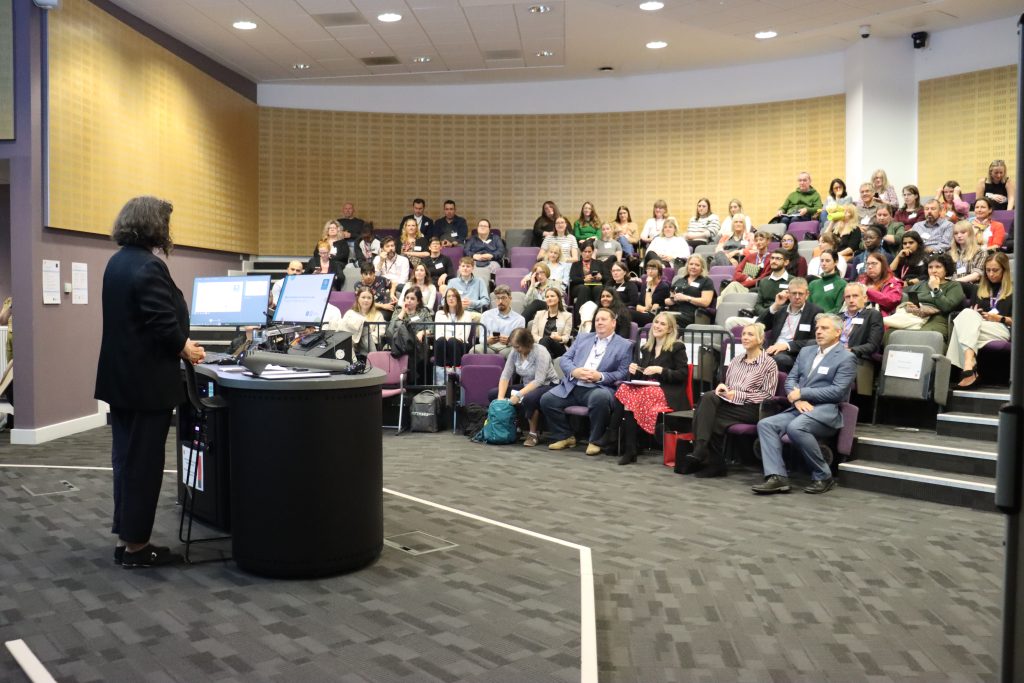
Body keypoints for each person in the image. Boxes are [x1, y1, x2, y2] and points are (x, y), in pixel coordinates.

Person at [95, 196, 205, 568]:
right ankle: (137, 548)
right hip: (146, 385)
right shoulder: (148, 266)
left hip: (122, 382)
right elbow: (161, 324)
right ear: (153, 225)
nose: (168, 230)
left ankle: (126, 536)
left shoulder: (117, 262)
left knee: (126, 461)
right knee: (143, 465)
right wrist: (185, 347)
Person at [752, 313, 857, 495]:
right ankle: (777, 476)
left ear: (838, 332)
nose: (819, 332)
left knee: (796, 427)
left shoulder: (846, 358)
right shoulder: (806, 351)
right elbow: (791, 379)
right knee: (766, 424)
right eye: (817, 328)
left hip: (825, 411)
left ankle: (823, 475)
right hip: (799, 407)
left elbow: (838, 391)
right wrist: (797, 398)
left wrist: (803, 392)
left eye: (825, 328)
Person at [683, 322, 778, 478]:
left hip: (752, 407)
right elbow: (728, 384)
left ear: (761, 340)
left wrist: (739, 395)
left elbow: (767, 395)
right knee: (709, 398)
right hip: (730, 403)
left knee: (710, 414)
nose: (745, 337)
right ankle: (711, 460)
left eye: (750, 334)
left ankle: (703, 453)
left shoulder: (769, 363)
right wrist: (722, 387)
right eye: (744, 334)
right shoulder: (736, 360)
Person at [540, 307, 633, 455]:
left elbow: (623, 373)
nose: (599, 322)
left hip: (598, 388)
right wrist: (574, 371)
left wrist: (600, 376)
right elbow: (565, 359)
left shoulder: (625, 345)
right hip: (574, 385)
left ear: (613, 323)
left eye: (603, 319)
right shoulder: (583, 338)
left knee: (600, 398)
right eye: (597, 320)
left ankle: (594, 440)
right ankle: (565, 436)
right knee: (547, 400)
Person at [608, 312, 689, 465]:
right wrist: (634, 371)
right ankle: (626, 444)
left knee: (634, 399)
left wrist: (661, 370)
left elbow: (682, 374)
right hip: (648, 389)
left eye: (662, 324)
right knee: (624, 388)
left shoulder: (677, 347)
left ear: (670, 329)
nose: (657, 326)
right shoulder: (647, 347)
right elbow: (642, 376)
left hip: (668, 391)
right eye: (656, 322)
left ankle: (618, 440)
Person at [947, 252, 1013, 388]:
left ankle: (966, 367)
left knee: (961, 326)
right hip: (979, 327)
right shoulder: (978, 290)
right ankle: (969, 366)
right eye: (988, 270)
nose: (991, 274)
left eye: (995, 270)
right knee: (968, 314)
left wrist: (999, 318)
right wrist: (975, 314)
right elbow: (972, 316)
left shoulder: (1015, 291)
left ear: (1004, 270)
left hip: (1001, 328)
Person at [492, 328, 560, 447]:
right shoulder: (515, 352)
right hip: (527, 385)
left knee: (529, 398)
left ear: (527, 343)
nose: (515, 349)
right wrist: (500, 397)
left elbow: (539, 380)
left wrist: (518, 395)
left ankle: (533, 434)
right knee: (493, 394)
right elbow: (505, 375)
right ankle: (513, 427)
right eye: (513, 346)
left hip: (548, 385)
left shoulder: (541, 352)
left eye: (518, 347)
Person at [883, 253, 965, 340]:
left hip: (937, 318)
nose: (934, 270)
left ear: (946, 269)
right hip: (914, 316)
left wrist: (935, 288)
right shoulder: (921, 284)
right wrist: (909, 306)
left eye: (938, 267)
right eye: (930, 267)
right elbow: (908, 300)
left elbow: (947, 307)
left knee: (924, 336)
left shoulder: (953, 285)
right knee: (890, 333)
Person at [760, 277, 822, 372]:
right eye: (793, 293)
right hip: (773, 350)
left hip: (794, 354)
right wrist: (776, 305)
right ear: (788, 294)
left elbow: (815, 341)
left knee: (779, 360)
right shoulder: (781, 310)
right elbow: (759, 325)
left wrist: (787, 345)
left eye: (800, 293)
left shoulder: (815, 312)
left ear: (807, 294)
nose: (797, 297)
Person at [723, 249, 791, 330]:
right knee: (730, 321)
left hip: (781, 319)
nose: (774, 261)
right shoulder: (764, 281)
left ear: (786, 262)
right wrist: (767, 313)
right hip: (762, 318)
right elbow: (758, 305)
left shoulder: (792, 281)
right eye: (772, 258)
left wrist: (772, 312)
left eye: (778, 259)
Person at [386, 288, 433, 380]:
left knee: (416, 348)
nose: (409, 300)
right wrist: (403, 311)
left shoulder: (423, 312)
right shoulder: (398, 311)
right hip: (400, 344)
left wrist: (422, 332)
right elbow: (391, 328)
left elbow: (431, 327)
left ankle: (412, 382)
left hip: (418, 343)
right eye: (407, 298)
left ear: (418, 301)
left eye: (412, 298)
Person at [665, 254, 715, 330]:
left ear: (702, 268)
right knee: (659, 317)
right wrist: (671, 300)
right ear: (687, 266)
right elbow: (670, 298)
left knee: (666, 320)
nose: (693, 267)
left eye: (697, 265)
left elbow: (706, 302)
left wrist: (686, 298)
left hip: (693, 314)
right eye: (691, 264)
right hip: (675, 311)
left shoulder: (706, 281)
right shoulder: (680, 281)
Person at [334, 286, 385, 357]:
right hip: (352, 346)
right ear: (358, 298)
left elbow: (380, 333)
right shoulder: (350, 313)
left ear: (372, 300)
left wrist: (360, 337)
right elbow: (344, 331)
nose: (366, 300)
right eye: (363, 297)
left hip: (369, 347)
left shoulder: (378, 315)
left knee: (364, 329)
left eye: (369, 298)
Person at [839, 282, 884, 361]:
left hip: (858, 358)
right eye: (848, 297)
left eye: (855, 296)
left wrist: (851, 350)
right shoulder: (839, 317)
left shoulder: (872, 315)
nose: (851, 300)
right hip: (835, 356)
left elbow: (873, 345)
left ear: (865, 298)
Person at [477, 285, 525, 356]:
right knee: (475, 350)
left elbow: (519, 341)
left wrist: (509, 341)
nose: (500, 301)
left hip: (508, 347)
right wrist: (487, 340)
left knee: (513, 352)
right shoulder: (486, 315)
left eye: (503, 298)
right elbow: (481, 338)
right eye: (498, 298)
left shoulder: (519, 319)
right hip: (489, 346)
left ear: (510, 299)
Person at [434, 287, 474, 370]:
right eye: (448, 296)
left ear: (458, 299)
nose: (451, 298)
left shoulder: (467, 314)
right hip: (444, 342)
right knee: (441, 341)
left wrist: (450, 338)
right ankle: (440, 374)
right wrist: (447, 338)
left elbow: (464, 336)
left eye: (453, 296)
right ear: (445, 299)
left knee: (452, 341)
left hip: (461, 344)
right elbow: (438, 335)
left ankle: (455, 373)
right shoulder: (439, 314)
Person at [529, 286, 572, 360]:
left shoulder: (567, 316)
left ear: (558, 298)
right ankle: (547, 362)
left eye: (552, 296)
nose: (549, 298)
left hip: (558, 347)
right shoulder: (539, 314)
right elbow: (534, 334)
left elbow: (566, 337)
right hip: (541, 345)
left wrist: (559, 338)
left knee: (546, 341)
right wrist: (542, 340)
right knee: (546, 340)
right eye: (547, 297)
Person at [857, 251, 903, 317]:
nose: (870, 267)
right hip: (860, 315)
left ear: (883, 265)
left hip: (882, 318)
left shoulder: (894, 282)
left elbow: (891, 301)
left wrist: (867, 290)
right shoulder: (862, 280)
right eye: (868, 264)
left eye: (874, 263)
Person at [949, 221, 986, 295]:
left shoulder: (980, 252)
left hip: (972, 287)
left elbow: (976, 275)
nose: (959, 236)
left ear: (970, 234)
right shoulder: (950, 253)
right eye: (956, 233)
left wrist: (954, 282)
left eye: (963, 232)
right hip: (953, 288)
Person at [569, 243, 606, 318]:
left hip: (596, 285)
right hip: (580, 286)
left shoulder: (599, 263)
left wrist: (601, 277)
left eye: (589, 252)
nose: (587, 254)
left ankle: (598, 316)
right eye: (585, 252)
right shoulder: (576, 264)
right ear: (581, 252)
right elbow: (573, 278)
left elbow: (607, 277)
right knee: (584, 288)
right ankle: (580, 320)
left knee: (598, 288)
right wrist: (584, 280)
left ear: (592, 252)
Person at [632, 260, 670, 328]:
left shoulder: (663, 286)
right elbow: (638, 305)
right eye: (648, 269)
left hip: (655, 316)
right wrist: (644, 309)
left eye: (653, 269)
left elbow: (649, 306)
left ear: (659, 271)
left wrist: (649, 287)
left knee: (628, 313)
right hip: (644, 314)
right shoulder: (644, 285)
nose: (650, 271)